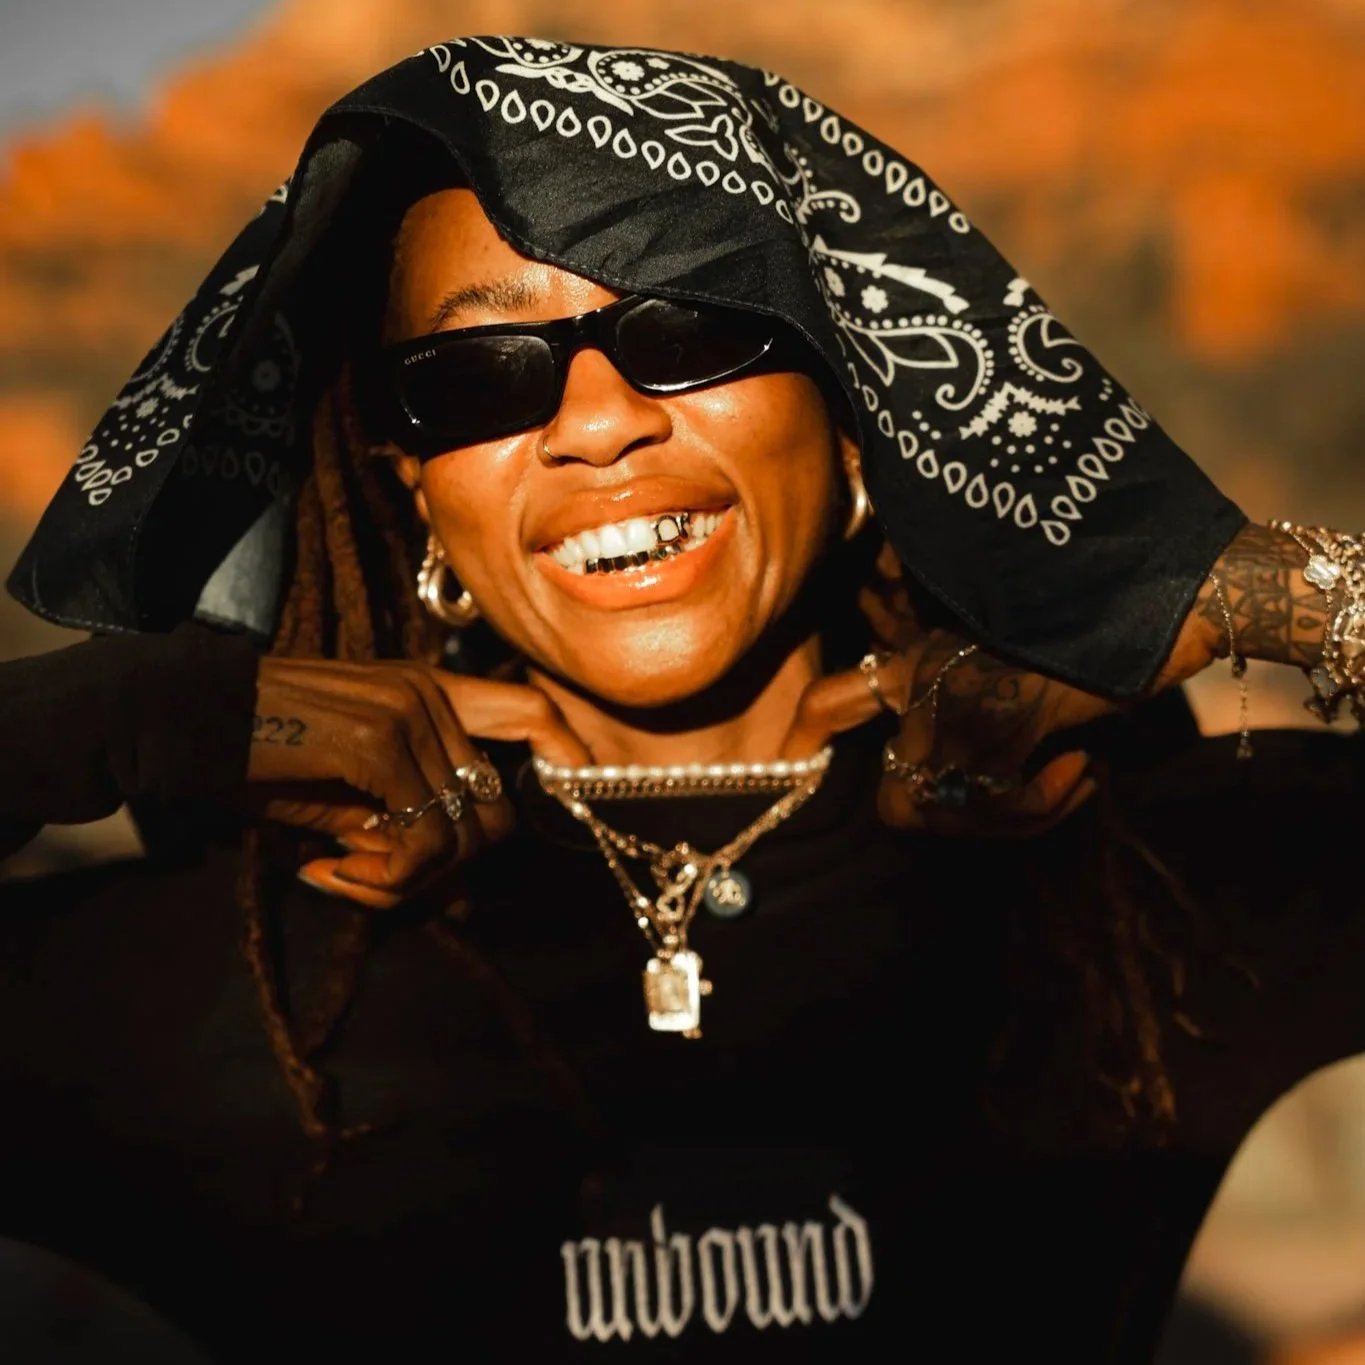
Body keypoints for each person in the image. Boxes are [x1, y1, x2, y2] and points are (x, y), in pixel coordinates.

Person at [1, 35, 1361, 1363]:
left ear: (857, 406)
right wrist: (108, 720)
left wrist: (1243, 594)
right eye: (476, 376)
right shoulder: (255, 973)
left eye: (694, 324)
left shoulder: (1108, 876)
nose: (597, 423)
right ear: (413, 478)